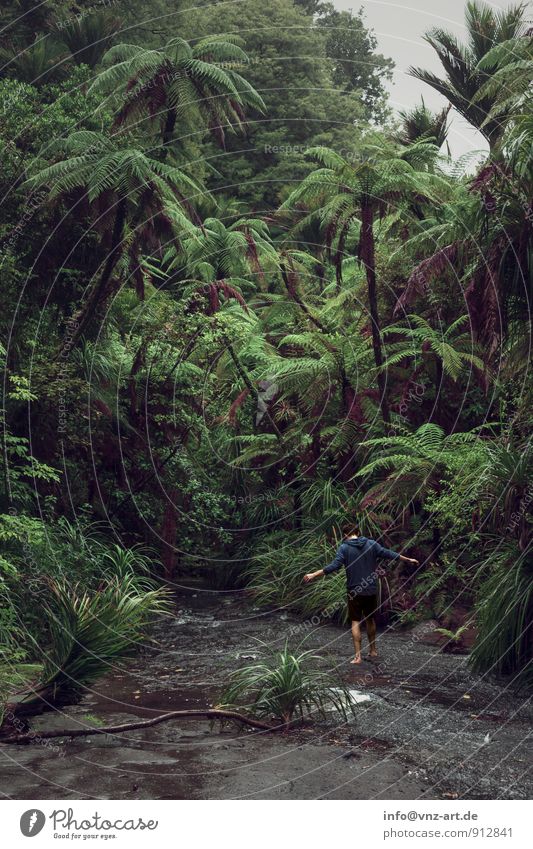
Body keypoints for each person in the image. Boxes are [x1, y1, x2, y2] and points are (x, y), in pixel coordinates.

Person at [303, 524, 418, 664]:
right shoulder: (371, 544)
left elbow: (334, 566)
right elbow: (388, 553)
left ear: (345, 535)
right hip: (370, 589)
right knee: (370, 620)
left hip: (354, 590)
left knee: (355, 621)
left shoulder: (344, 548)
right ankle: (373, 650)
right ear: (358, 532)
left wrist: (314, 574)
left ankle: (357, 657)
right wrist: (407, 559)